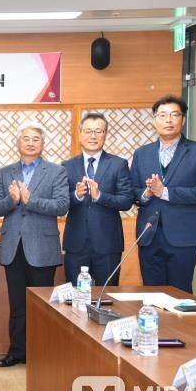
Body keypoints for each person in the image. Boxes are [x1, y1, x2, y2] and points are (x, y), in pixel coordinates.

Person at [0, 122, 69, 367]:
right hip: (13, 247)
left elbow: (62, 205)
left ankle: (41, 354)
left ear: (43, 144)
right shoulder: (5, 172)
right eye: (26, 138)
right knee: (17, 304)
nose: (31, 143)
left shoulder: (56, 171)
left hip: (42, 248)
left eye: (36, 139)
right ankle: (16, 352)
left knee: (42, 306)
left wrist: (30, 200)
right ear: (18, 143)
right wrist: (12, 200)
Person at [129, 95, 196, 293]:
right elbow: (133, 192)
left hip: (183, 236)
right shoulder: (142, 153)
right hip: (149, 235)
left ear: (182, 120)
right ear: (154, 121)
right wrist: (147, 193)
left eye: (174, 115)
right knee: (151, 293)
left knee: (180, 293)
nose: (168, 120)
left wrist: (165, 192)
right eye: (162, 115)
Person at [62, 112, 133, 286]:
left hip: (108, 244)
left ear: (105, 135)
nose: (93, 136)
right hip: (76, 244)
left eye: (98, 131)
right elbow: (60, 203)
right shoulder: (67, 165)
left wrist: (100, 196)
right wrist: (76, 195)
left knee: (107, 296)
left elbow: (126, 200)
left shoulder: (118, 164)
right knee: (76, 296)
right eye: (88, 131)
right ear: (80, 134)